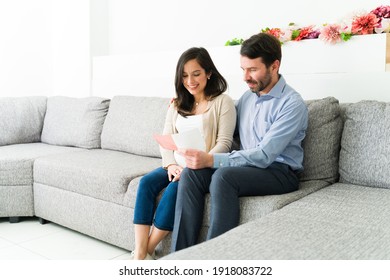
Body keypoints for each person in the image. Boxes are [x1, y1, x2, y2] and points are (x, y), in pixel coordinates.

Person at [171, 33, 309, 252]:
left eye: (253, 70)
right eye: (243, 69)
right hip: (247, 167)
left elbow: (264, 155)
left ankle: (213, 257)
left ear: (274, 66)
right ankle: (178, 257)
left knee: (224, 176)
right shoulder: (247, 98)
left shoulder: (292, 104)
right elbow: (225, 134)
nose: (246, 77)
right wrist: (188, 108)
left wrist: (211, 159)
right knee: (191, 174)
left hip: (280, 172)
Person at [132, 47, 236, 260]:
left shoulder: (222, 102)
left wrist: (194, 165)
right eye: (185, 76)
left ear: (208, 72)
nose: (190, 81)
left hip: (200, 168)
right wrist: (170, 165)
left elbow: (224, 143)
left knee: (173, 191)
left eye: (196, 74)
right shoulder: (178, 103)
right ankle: (141, 252)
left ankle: (145, 252)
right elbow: (166, 138)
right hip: (175, 164)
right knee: (146, 183)